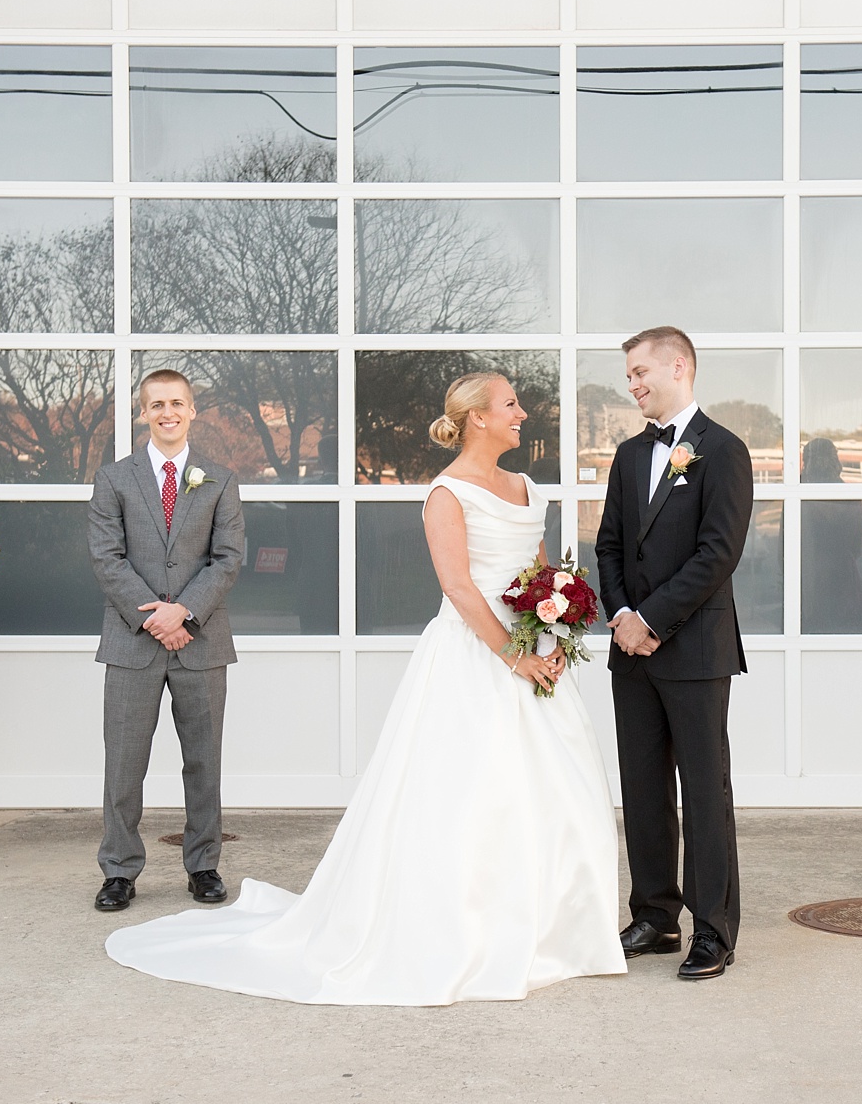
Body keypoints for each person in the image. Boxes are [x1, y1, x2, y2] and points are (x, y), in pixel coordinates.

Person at [105, 373, 626, 1005]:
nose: (522, 412)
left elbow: (541, 571)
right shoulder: (445, 493)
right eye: (510, 404)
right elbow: (460, 588)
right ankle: (468, 929)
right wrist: (516, 655)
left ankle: (553, 925)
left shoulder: (525, 486)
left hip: (531, 654)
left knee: (552, 787)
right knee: (466, 795)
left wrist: (553, 625)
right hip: (478, 657)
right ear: (477, 418)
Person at [595, 326, 754, 980]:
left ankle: (714, 927)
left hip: (694, 648)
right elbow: (607, 544)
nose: (632, 384)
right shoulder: (630, 454)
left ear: (679, 366)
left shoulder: (724, 450)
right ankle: (655, 913)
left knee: (704, 787)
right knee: (641, 786)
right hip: (630, 652)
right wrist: (623, 616)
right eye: (628, 375)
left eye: (640, 372)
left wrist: (655, 618)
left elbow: (718, 552)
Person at [87, 369, 245, 912]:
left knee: (204, 761)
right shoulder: (113, 479)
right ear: (143, 412)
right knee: (124, 764)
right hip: (133, 642)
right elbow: (107, 559)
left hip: (202, 643)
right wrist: (157, 618)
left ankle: (204, 865)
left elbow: (228, 558)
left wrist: (186, 612)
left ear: (193, 410)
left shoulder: (219, 479)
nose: (167, 412)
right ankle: (119, 871)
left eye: (177, 402)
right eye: (157, 404)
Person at [800, 436, 862, 633]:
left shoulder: (796, 490)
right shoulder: (845, 493)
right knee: (846, 633)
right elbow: (858, 538)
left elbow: (784, 541)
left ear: (806, 459)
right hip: (842, 569)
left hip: (807, 570)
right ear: (834, 458)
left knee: (809, 629)